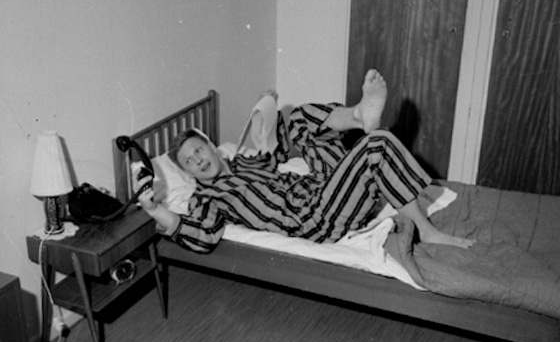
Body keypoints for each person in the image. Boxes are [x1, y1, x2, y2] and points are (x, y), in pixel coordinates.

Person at [137, 69, 474, 253]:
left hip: (318, 188)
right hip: (312, 218)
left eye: (198, 150)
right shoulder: (206, 197)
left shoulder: (244, 163)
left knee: (297, 118)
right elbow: (204, 235)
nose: (197, 160)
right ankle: (427, 231)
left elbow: (277, 151)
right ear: (188, 173)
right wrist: (155, 210)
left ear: (212, 147)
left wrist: (266, 113)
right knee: (377, 144)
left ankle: (358, 116)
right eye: (189, 162)